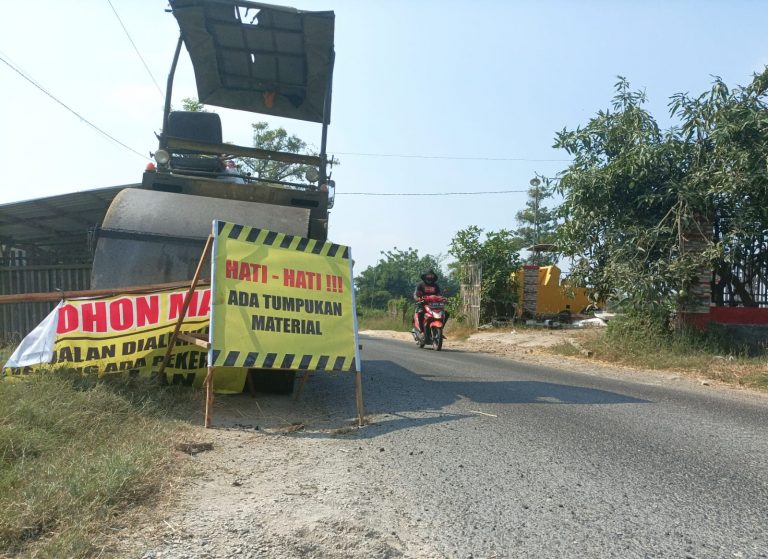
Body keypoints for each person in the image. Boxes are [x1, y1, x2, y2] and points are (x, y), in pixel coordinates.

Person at [414, 269, 444, 334]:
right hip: (423, 303)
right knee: (420, 312)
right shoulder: (420, 284)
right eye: (428, 275)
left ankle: (440, 330)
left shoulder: (435, 285)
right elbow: (416, 294)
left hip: (434, 304)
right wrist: (418, 298)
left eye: (431, 275)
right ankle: (421, 330)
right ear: (425, 276)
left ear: (434, 276)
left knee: (445, 313)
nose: (430, 277)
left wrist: (442, 298)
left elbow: (439, 294)